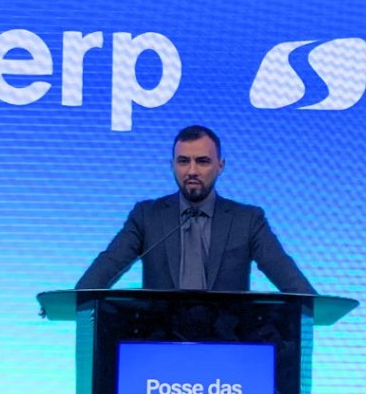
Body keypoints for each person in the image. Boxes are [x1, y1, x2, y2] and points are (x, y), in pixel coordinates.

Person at [75, 125, 317, 294]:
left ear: (220, 166)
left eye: (202, 161)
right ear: (172, 165)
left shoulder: (248, 220)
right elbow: (108, 265)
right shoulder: (146, 216)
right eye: (183, 161)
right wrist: (75, 299)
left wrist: (315, 305)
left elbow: (287, 277)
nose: (192, 171)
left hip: (228, 342)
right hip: (160, 341)